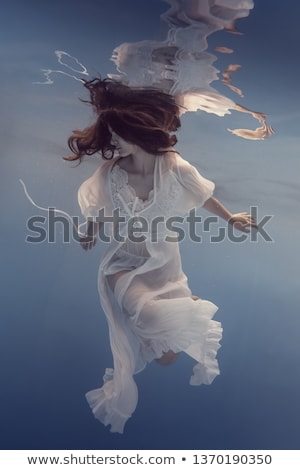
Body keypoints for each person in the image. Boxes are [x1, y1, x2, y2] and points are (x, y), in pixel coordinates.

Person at [66, 77, 256, 433]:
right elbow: (97, 210)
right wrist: (88, 230)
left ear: (135, 131)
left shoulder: (175, 166)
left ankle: (179, 312)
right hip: (122, 262)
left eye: (117, 135)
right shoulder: (109, 174)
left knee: (167, 357)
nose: (113, 143)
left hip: (164, 264)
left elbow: (201, 195)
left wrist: (230, 218)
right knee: (148, 315)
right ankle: (183, 310)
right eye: (110, 136)